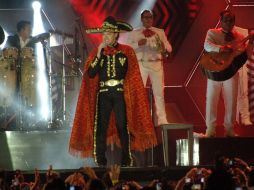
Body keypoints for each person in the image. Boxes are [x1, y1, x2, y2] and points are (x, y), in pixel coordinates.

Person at [69, 16, 157, 167]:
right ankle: (101, 161)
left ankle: (126, 159)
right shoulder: (98, 52)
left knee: (123, 126)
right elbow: (90, 73)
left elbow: (132, 75)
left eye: (108, 33)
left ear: (116, 34)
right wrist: (99, 55)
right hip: (103, 94)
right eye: (104, 34)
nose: (105, 37)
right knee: (100, 128)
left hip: (119, 93)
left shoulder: (127, 51)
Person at [204, 10, 254, 137]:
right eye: (226, 19)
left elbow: (246, 54)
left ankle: (229, 129)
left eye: (231, 20)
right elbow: (207, 46)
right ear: (221, 21)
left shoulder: (240, 36)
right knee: (211, 100)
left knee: (231, 101)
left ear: (234, 22)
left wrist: (251, 43)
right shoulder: (212, 33)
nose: (228, 22)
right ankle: (210, 129)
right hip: (214, 71)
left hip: (231, 72)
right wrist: (223, 48)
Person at [127, 9, 172, 126]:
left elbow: (169, 48)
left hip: (156, 64)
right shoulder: (134, 32)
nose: (148, 19)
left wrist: (163, 46)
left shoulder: (159, 32)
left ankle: (162, 120)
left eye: (150, 17)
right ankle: (137, 120)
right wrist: (138, 44)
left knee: (159, 93)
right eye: (146, 17)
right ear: (141, 19)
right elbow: (126, 48)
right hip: (141, 64)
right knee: (139, 93)